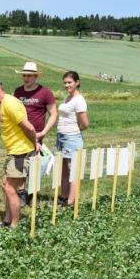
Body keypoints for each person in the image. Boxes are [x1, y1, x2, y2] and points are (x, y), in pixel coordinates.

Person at [0, 76, 40, 229]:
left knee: (10, 188)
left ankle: (14, 226)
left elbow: (29, 127)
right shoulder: (2, 103)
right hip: (14, 151)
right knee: (5, 185)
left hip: (21, 152)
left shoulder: (10, 104)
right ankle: (7, 220)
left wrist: (35, 144)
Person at [12, 61, 57, 205]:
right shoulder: (18, 92)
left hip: (36, 135)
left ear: (36, 76)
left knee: (34, 164)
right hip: (20, 135)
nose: (26, 78)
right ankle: (21, 193)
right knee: (20, 164)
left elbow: (53, 113)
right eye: (24, 75)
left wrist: (44, 132)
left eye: (29, 76)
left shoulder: (45, 93)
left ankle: (32, 194)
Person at [56, 71, 89, 206]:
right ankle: (63, 197)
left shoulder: (79, 100)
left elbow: (84, 124)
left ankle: (71, 201)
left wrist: (73, 131)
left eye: (69, 82)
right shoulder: (67, 97)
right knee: (64, 168)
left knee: (72, 169)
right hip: (61, 137)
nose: (66, 85)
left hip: (71, 138)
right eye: (65, 83)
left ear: (77, 83)